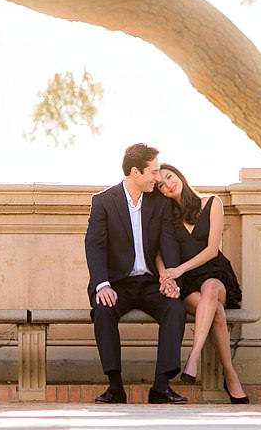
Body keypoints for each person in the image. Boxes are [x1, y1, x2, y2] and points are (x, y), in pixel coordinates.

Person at [84, 142, 188, 404]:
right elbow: (94, 245)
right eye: (153, 172)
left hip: (151, 282)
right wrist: (102, 285)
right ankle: (115, 386)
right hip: (116, 283)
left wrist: (172, 280)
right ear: (135, 172)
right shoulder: (103, 202)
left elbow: (169, 243)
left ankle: (161, 387)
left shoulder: (159, 203)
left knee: (175, 308)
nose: (158, 177)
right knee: (103, 309)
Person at [156, 162, 250, 404]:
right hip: (186, 283)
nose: (168, 184)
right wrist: (165, 274)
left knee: (210, 288)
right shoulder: (167, 216)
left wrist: (180, 268)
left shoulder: (211, 202)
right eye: (161, 185)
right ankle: (230, 376)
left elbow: (211, 249)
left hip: (215, 273)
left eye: (169, 176)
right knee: (216, 312)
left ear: (179, 174)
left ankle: (193, 357)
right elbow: (158, 252)